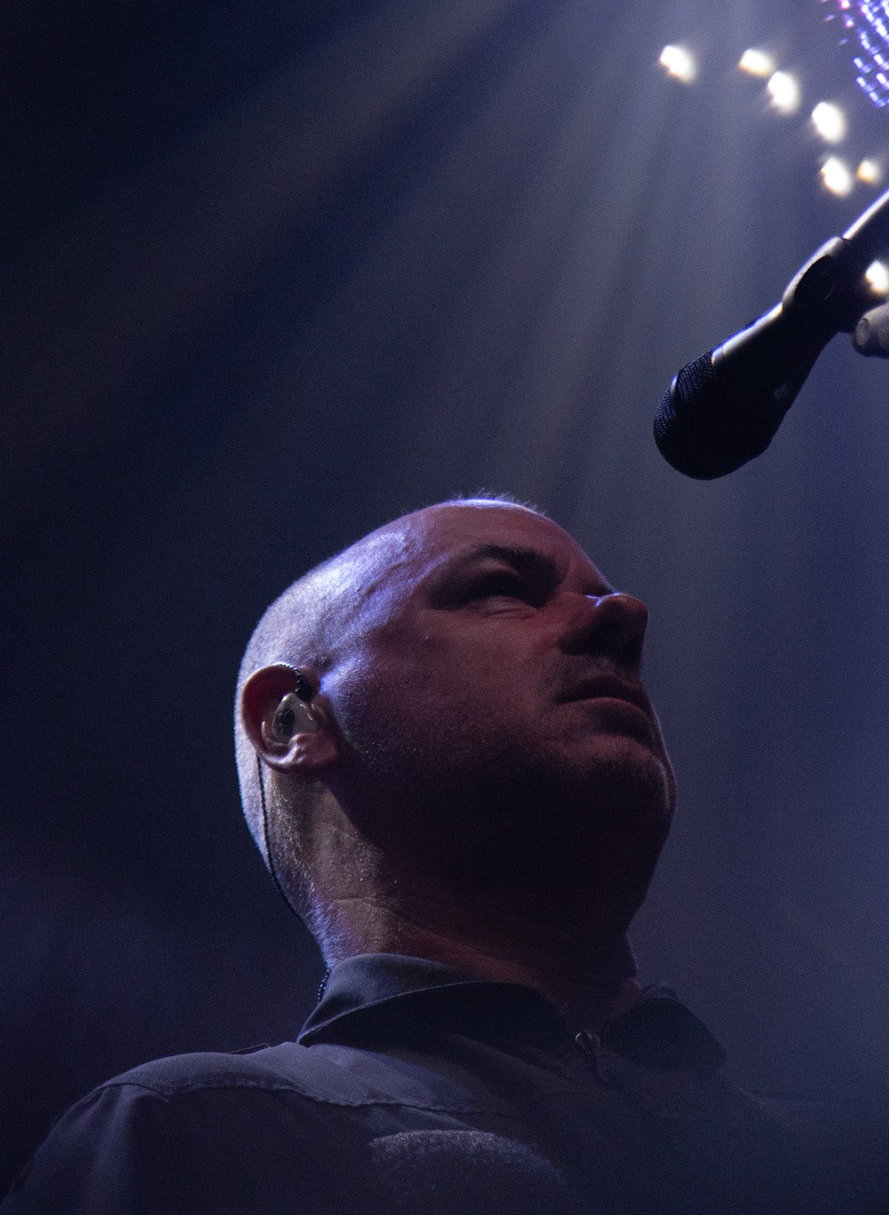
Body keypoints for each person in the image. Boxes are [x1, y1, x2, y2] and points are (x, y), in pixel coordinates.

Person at [3, 497, 810, 1215]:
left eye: (605, 595)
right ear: (292, 722)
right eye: (499, 588)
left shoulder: (844, 1153)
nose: (624, 615)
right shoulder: (195, 1137)